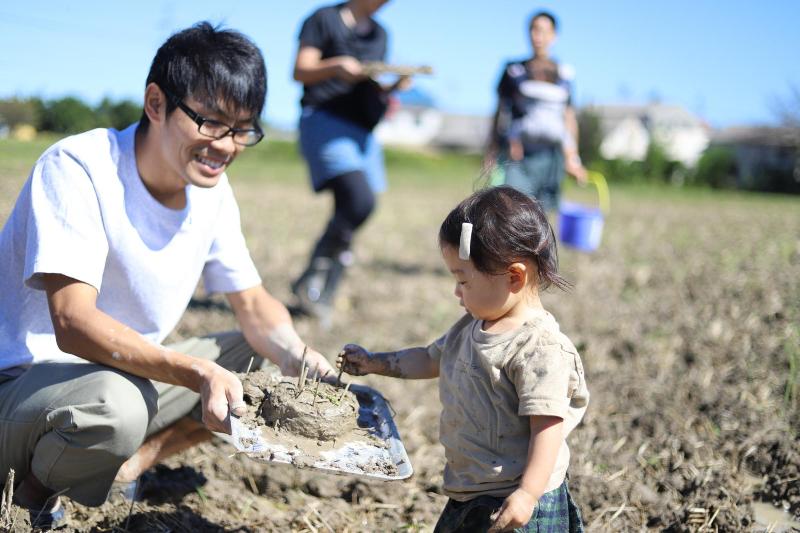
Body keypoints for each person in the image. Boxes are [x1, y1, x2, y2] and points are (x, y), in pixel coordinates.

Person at [0, 22, 334, 529]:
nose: (227, 146)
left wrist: (298, 357)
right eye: (211, 123)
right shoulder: (80, 167)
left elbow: (252, 302)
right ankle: (32, 497)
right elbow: (71, 323)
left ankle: (129, 463)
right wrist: (193, 371)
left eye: (243, 129)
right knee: (116, 408)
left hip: (117, 380)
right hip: (24, 386)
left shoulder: (212, 193)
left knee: (262, 364)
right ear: (156, 103)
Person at [338, 186, 589, 532]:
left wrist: (528, 495)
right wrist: (374, 363)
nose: (457, 292)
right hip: (470, 490)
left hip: (516, 503)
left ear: (514, 276)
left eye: (463, 280)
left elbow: (547, 429)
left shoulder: (539, 349)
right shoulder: (470, 327)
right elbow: (429, 359)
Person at [290, 0, 409, 321]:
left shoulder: (381, 34)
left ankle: (321, 289)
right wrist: (336, 67)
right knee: (359, 201)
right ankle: (313, 279)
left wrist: (394, 85)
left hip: (363, 130)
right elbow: (300, 70)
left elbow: (372, 84)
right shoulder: (324, 19)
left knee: (353, 210)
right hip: (326, 118)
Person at [485, 10, 587, 212]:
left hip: (551, 157)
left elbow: (568, 116)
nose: (536, 36)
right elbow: (500, 111)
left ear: (553, 36)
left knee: (542, 217)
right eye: (532, 30)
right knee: (512, 211)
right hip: (518, 155)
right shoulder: (513, 70)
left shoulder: (564, 74)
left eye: (542, 31)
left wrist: (572, 158)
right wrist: (492, 149)